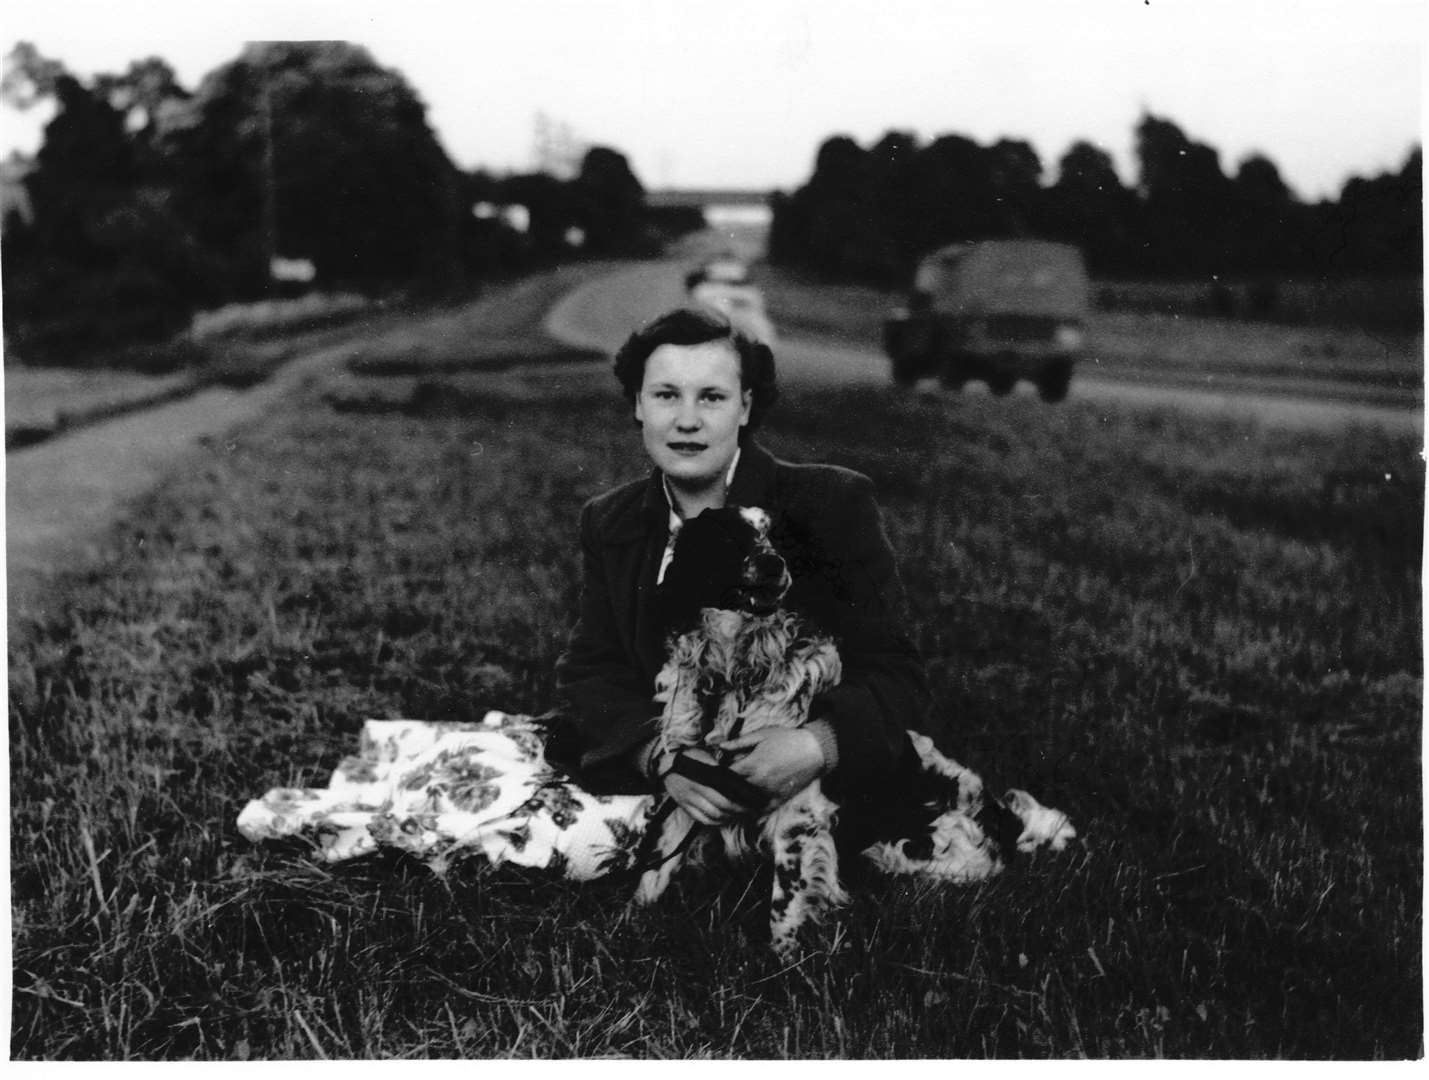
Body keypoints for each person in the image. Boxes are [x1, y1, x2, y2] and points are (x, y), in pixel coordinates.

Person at [544, 306, 934, 829]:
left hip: (791, 795)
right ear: (638, 404)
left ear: (745, 407)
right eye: (665, 395)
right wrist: (659, 758)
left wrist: (819, 744)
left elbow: (897, 674)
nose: (687, 420)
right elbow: (591, 668)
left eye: (712, 396)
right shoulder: (612, 520)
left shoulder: (827, 503)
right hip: (667, 775)